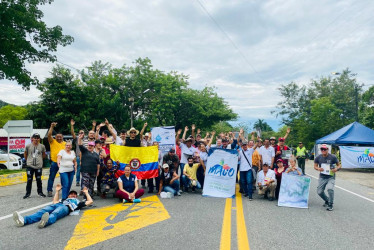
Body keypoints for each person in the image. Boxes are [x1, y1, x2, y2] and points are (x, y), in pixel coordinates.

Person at [13, 184, 93, 228]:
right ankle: (23, 221)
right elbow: (55, 202)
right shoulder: (64, 199)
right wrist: (57, 191)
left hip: (66, 208)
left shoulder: (77, 202)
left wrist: (86, 192)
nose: (73, 195)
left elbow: (90, 201)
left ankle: (46, 222)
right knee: (42, 211)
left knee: (55, 213)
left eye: (75, 195)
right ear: (68, 196)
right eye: (71, 194)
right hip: (59, 204)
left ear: (76, 197)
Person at [314, 144, 341, 211]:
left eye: (324, 149)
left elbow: (339, 165)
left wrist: (336, 169)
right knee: (319, 192)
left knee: (330, 189)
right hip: (322, 177)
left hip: (330, 177)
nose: (323, 150)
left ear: (327, 150)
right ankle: (327, 200)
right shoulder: (318, 157)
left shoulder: (333, 157)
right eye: (322, 149)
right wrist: (318, 168)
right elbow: (315, 166)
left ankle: (330, 204)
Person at [23, 133, 47, 199]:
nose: (36, 139)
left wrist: (40, 160)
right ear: (32, 138)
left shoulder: (42, 146)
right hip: (30, 165)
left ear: (39, 139)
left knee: (39, 179)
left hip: (38, 165)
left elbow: (44, 155)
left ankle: (40, 192)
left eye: (37, 138)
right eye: (35, 138)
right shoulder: (28, 146)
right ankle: (28, 194)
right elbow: (25, 154)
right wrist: (28, 161)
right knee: (29, 179)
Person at [47, 122, 66, 197]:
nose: (59, 138)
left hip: (63, 163)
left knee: (63, 177)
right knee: (51, 177)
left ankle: (63, 190)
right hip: (54, 162)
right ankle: (49, 190)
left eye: (60, 137)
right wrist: (51, 127)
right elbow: (49, 135)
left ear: (62, 137)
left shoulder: (65, 143)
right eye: (57, 136)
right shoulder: (52, 142)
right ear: (55, 137)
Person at [78, 133, 100, 198]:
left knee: (91, 184)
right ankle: (85, 197)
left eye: (91, 145)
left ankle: (90, 196)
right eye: (89, 145)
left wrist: (98, 171)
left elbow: (98, 163)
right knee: (85, 184)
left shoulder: (96, 154)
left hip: (93, 171)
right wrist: (80, 138)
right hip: (85, 171)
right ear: (87, 146)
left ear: (94, 146)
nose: (90, 146)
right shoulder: (85, 151)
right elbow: (80, 144)